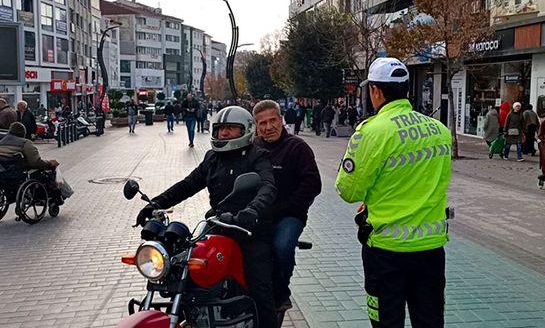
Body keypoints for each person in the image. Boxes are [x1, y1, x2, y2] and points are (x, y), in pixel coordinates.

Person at [335, 57, 452, 327]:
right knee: (430, 321)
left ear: (375, 91)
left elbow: (348, 190)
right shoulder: (439, 131)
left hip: (387, 251)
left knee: (387, 321)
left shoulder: (371, 132)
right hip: (432, 247)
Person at [135, 106, 277, 327]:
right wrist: (156, 203)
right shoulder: (213, 158)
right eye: (221, 129)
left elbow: (267, 186)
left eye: (231, 129)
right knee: (184, 267)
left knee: (260, 286)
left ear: (247, 130)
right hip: (217, 225)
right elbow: (187, 185)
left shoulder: (258, 156)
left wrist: (252, 210)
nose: (224, 134)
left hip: (248, 229)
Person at [252, 100, 322, 313]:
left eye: (273, 120)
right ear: (256, 126)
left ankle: (281, 292)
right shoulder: (253, 147)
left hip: (290, 214)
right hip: (259, 213)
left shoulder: (297, 147)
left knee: (282, 246)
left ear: (281, 120)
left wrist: (288, 207)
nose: (268, 127)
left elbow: (313, 184)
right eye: (262, 123)